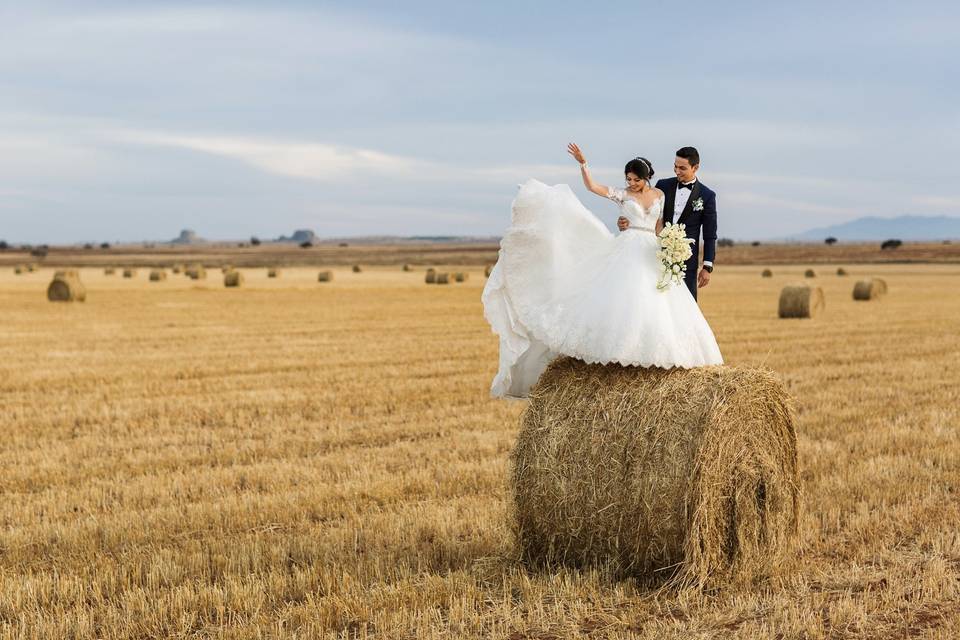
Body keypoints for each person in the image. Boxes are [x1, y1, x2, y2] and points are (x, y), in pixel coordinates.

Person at [481, 143, 723, 400]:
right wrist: (584, 164)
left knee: (661, 305)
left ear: (695, 167)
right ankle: (620, 358)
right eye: (628, 179)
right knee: (624, 299)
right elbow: (594, 188)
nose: (630, 183)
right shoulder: (655, 187)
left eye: (682, 167)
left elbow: (676, 227)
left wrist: (686, 253)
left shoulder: (673, 195)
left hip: (658, 252)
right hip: (629, 248)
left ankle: (666, 364)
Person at [619, 146, 716, 300]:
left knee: (686, 308)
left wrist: (707, 267)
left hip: (686, 263)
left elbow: (710, 234)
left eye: (682, 168)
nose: (677, 171)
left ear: (695, 167)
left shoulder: (707, 195)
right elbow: (642, 206)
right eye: (675, 166)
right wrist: (626, 220)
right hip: (655, 256)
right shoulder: (662, 185)